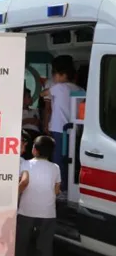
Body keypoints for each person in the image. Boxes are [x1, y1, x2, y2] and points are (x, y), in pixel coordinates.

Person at [15, 135, 61, 256]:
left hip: (26, 210)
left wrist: (14, 195)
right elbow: (56, 190)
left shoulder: (26, 164)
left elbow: (24, 182)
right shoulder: (55, 167)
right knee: (45, 246)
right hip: (48, 212)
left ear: (34, 149)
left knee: (21, 243)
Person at [41, 56, 82, 195]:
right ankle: (70, 188)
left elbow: (42, 94)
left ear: (63, 75)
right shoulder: (79, 89)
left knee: (58, 161)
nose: (53, 77)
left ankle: (61, 190)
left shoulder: (58, 87)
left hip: (59, 129)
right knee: (71, 160)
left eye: (55, 74)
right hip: (74, 130)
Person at [22, 88, 41, 160]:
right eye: (29, 97)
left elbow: (37, 122)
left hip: (35, 133)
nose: (31, 99)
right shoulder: (18, 111)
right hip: (24, 133)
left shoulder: (35, 111)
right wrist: (27, 121)